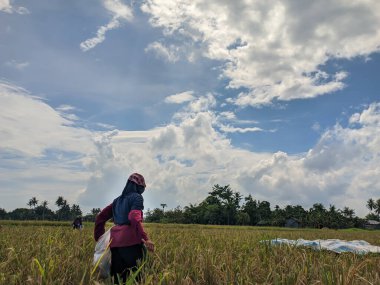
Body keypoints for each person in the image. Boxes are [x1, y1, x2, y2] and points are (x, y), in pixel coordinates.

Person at [94, 173, 154, 284]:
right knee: (136, 277)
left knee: (117, 278)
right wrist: (146, 238)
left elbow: (100, 217)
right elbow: (134, 217)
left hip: (115, 243)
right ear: (139, 186)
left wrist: (99, 237)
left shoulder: (117, 200)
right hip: (131, 243)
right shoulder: (137, 197)